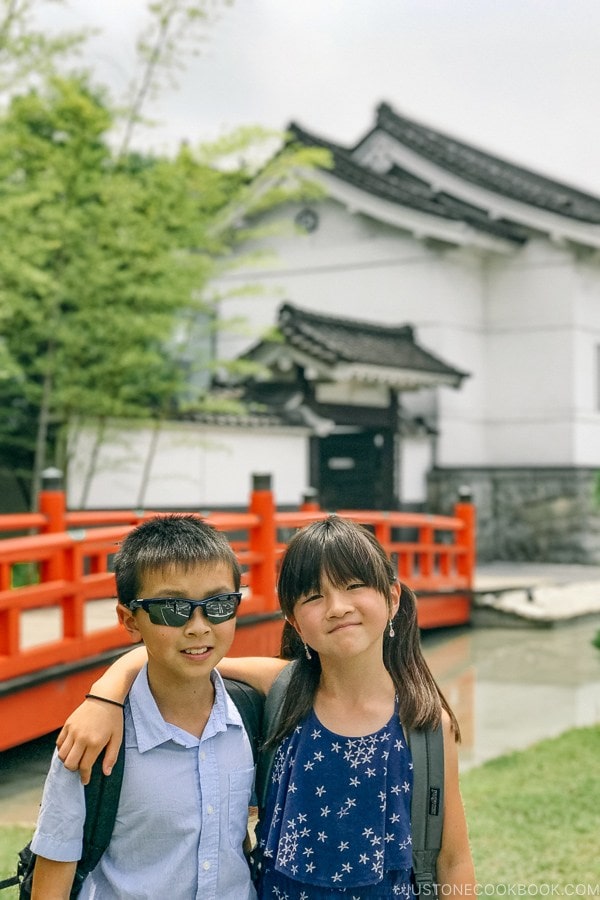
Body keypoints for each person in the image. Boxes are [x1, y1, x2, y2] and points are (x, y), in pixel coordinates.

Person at [57, 515, 476, 897]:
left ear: (393, 599)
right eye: (313, 596)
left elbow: (452, 860)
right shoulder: (283, 689)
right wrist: (104, 696)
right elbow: (178, 655)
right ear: (292, 620)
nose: (337, 607)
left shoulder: (423, 725)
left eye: (353, 587)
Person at [30, 514, 258, 900]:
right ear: (129, 619)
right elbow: (54, 874)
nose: (198, 626)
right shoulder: (93, 740)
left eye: (219, 604)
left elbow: (307, 673)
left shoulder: (252, 714)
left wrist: (113, 679)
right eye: (172, 608)